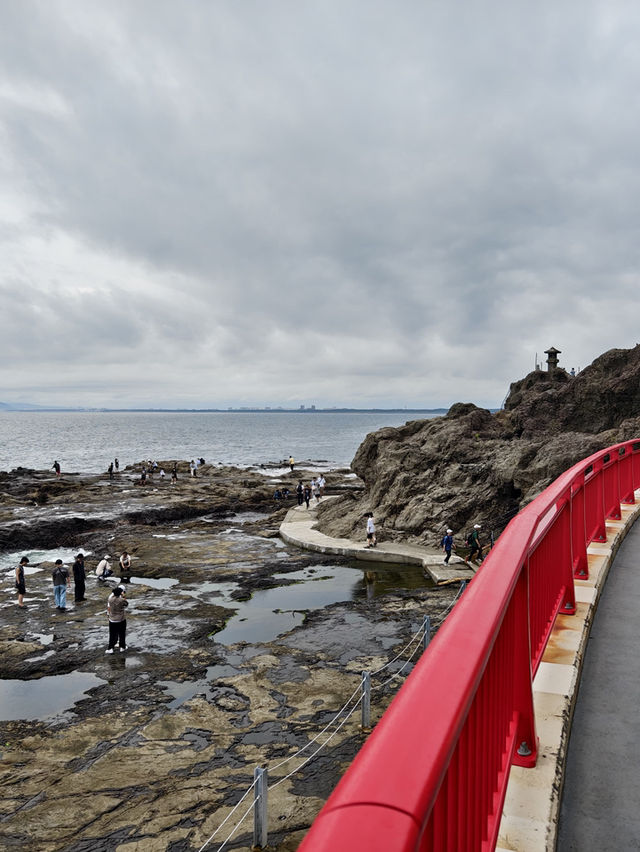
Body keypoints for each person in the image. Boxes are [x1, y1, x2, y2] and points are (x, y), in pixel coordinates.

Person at [105, 586, 129, 653]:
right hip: (121, 619)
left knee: (112, 634)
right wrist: (123, 596)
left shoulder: (110, 599)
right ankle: (122, 647)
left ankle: (110, 648)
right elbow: (126, 604)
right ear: (120, 593)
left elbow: (109, 606)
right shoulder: (121, 600)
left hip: (112, 619)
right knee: (122, 634)